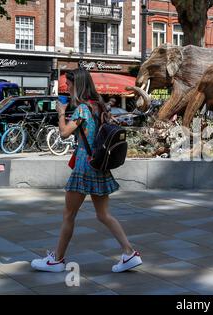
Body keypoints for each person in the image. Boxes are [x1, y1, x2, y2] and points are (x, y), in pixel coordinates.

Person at [31, 69, 142, 273]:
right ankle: (129, 253)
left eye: (70, 84)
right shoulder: (98, 106)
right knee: (103, 214)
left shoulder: (82, 109)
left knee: (68, 214)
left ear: (78, 85)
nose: (68, 88)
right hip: (99, 165)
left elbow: (64, 134)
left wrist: (61, 112)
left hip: (84, 165)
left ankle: (57, 260)